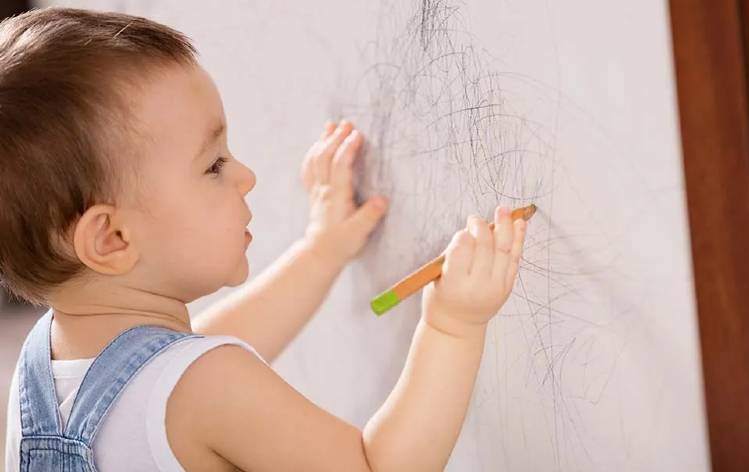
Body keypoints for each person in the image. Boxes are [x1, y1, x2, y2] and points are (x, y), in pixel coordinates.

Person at [1, 7, 528, 471]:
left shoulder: (47, 365)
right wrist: (453, 325)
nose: (245, 175)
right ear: (112, 237)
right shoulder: (205, 386)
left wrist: (321, 250)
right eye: (213, 165)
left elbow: (202, 350)